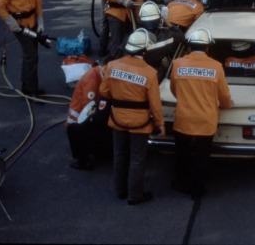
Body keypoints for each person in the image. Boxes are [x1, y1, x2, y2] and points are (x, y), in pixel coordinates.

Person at [99, 29, 164, 205]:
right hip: (140, 122)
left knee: (119, 154)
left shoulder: (112, 66)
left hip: (117, 118)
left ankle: (119, 190)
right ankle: (134, 196)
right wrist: (160, 124)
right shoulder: (150, 73)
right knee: (137, 158)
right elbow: (155, 103)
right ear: (144, 51)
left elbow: (103, 91)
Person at [170, 28, 231, 199]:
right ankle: (198, 191)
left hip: (183, 118)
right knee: (201, 157)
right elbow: (224, 97)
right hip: (206, 120)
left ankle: (182, 184)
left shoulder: (177, 64)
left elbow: (174, 89)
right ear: (208, 48)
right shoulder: (216, 67)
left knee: (182, 155)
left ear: (189, 47)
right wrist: (226, 105)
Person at [65, 60, 111, 171]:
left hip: (90, 108)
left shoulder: (101, 74)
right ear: (104, 67)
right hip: (79, 115)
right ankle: (84, 161)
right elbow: (89, 105)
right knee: (80, 132)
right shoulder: (92, 79)